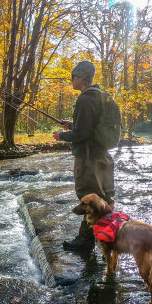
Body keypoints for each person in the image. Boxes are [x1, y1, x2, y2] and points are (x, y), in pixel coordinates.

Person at [53, 61, 115, 252]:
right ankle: (108, 236)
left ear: (81, 78)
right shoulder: (102, 97)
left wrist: (62, 135)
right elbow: (92, 126)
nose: (71, 80)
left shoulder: (84, 100)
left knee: (89, 199)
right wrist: (73, 124)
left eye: (73, 76)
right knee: (105, 198)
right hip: (103, 156)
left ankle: (84, 242)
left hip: (88, 159)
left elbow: (82, 134)